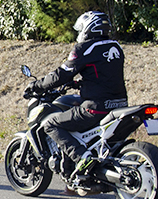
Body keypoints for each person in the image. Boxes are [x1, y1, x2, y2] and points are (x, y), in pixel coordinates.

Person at [26, 11, 127, 176]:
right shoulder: (115, 46)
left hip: (95, 108)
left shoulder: (85, 48)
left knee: (51, 124)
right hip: (119, 105)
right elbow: (105, 76)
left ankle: (82, 157)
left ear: (89, 28)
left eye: (81, 29)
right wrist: (80, 84)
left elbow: (61, 74)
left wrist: (38, 85)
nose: (79, 33)